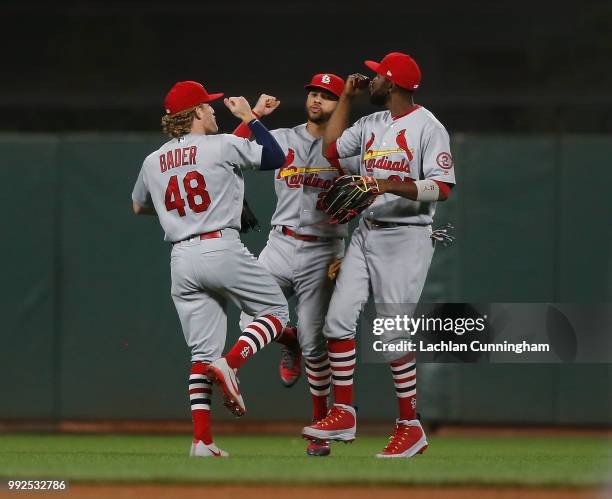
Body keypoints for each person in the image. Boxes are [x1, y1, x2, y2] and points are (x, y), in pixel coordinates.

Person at [301, 52, 456, 458]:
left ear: (393, 83)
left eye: (376, 77)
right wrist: (347, 99)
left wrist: (387, 185)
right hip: (367, 233)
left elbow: (441, 188)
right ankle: (345, 412)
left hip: (406, 238)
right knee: (336, 322)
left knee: (392, 334)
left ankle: (410, 426)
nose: (370, 81)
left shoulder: (428, 127)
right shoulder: (372, 123)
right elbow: (332, 149)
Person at [131, 80, 289, 458]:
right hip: (220, 246)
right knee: (276, 313)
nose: (214, 109)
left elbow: (139, 206)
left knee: (200, 355)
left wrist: (176, 212)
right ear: (196, 113)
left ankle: (202, 441)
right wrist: (251, 118)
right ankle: (231, 364)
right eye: (208, 105)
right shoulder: (220, 145)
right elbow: (274, 157)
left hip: (182, 260)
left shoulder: (153, 160)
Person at [233, 74, 359, 456]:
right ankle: (289, 343)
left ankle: (319, 431)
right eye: (314, 94)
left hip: (324, 250)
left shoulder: (350, 147)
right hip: (280, 241)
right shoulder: (283, 137)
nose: (317, 100)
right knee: (248, 315)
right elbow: (229, 149)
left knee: (315, 342)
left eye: (327, 96)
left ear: (341, 104)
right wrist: (253, 114)